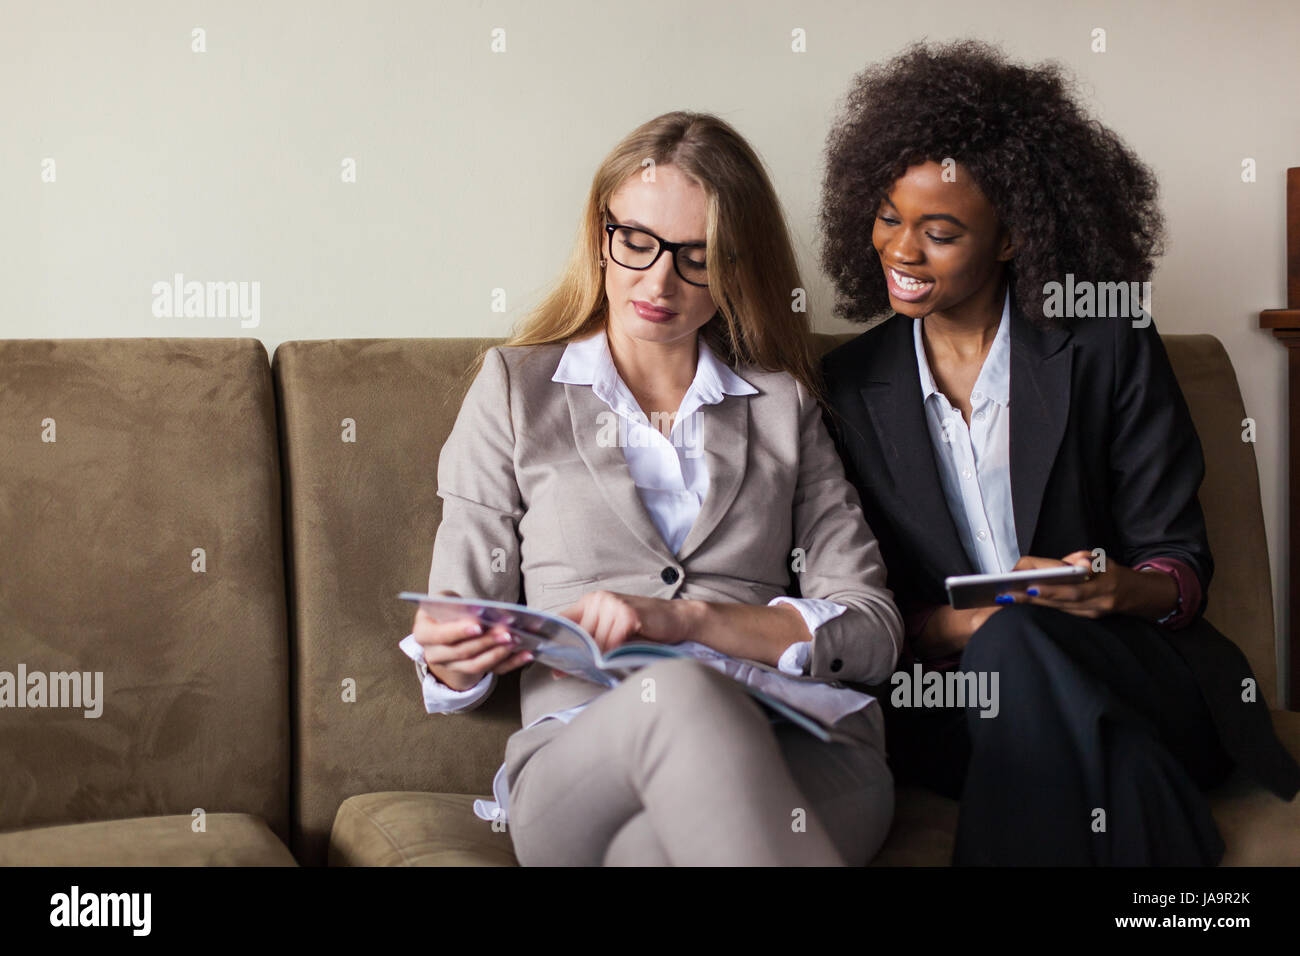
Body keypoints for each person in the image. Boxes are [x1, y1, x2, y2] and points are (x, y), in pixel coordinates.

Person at [817, 40, 1300, 865]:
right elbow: (855, 598)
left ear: (1012, 238)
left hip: (1135, 675)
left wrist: (1115, 591)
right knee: (1009, 649)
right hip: (955, 698)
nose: (900, 251)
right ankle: (1164, 842)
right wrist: (959, 624)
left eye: (939, 232)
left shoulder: (1107, 344)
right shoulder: (848, 386)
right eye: (889, 217)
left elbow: (1178, 566)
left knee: (1022, 651)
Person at [397, 111, 904, 866]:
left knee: (647, 851)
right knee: (681, 697)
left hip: (802, 750)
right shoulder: (513, 389)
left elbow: (870, 632)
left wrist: (687, 623)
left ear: (739, 265)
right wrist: (450, 657)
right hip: (582, 761)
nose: (658, 281)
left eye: (697, 257)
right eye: (636, 241)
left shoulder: (783, 405)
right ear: (601, 233)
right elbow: (456, 630)